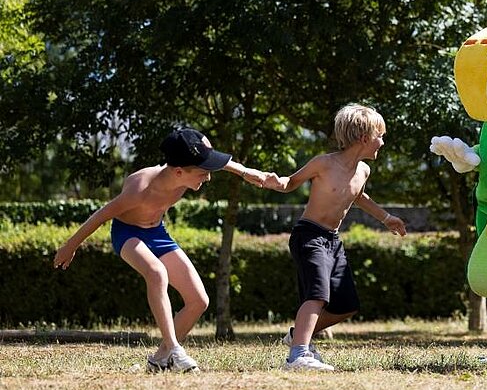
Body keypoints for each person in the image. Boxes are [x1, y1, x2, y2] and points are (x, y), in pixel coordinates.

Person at [53, 128, 271, 372]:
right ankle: (176, 350)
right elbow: (101, 216)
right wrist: (70, 246)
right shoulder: (139, 189)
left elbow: (216, 162)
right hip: (128, 234)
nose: (208, 178)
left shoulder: (184, 170)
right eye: (203, 173)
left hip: (157, 233)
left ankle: (159, 359)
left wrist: (245, 172)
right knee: (156, 273)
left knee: (199, 300)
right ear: (179, 172)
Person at [264, 104, 407, 371]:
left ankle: (298, 335)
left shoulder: (363, 170)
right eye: (380, 135)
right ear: (364, 138)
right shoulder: (323, 163)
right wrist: (274, 181)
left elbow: (360, 197)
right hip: (309, 235)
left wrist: (387, 218)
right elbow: (290, 183)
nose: (383, 141)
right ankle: (298, 355)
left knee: (346, 305)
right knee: (317, 294)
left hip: (333, 239)